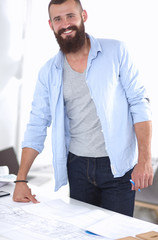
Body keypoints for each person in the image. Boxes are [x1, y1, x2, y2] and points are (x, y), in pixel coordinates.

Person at [13, 0, 153, 217]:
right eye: (58, 19)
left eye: (70, 16)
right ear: (51, 25)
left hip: (118, 165)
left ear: (84, 16)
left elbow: (139, 102)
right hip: (77, 166)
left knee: (117, 233)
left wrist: (144, 160)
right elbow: (37, 123)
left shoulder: (116, 51)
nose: (65, 24)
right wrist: (21, 179)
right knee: (81, 233)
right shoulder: (48, 72)